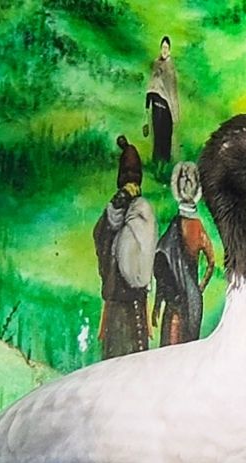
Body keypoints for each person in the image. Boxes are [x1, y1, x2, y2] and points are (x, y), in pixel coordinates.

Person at [93, 135, 158, 359]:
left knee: (134, 362)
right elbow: (102, 234)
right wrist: (119, 200)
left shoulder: (141, 212)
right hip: (117, 301)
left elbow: (144, 261)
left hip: (134, 302)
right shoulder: (115, 213)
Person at [153, 161, 216, 345]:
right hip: (190, 299)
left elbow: (160, 261)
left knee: (172, 349)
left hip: (176, 299)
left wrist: (159, 301)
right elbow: (211, 263)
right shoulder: (197, 228)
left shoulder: (175, 227)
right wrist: (199, 288)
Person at [145, 36, 179, 164]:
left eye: (166, 48)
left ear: (169, 50)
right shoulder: (156, 64)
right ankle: (156, 162)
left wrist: (174, 111)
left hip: (166, 107)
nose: (164, 50)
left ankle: (164, 162)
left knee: (165, 134)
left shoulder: (170, 68)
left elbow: (172, 91)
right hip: (156, 104)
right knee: (157, 134)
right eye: (163, 47)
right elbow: (152, 84)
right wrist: (148, 102)